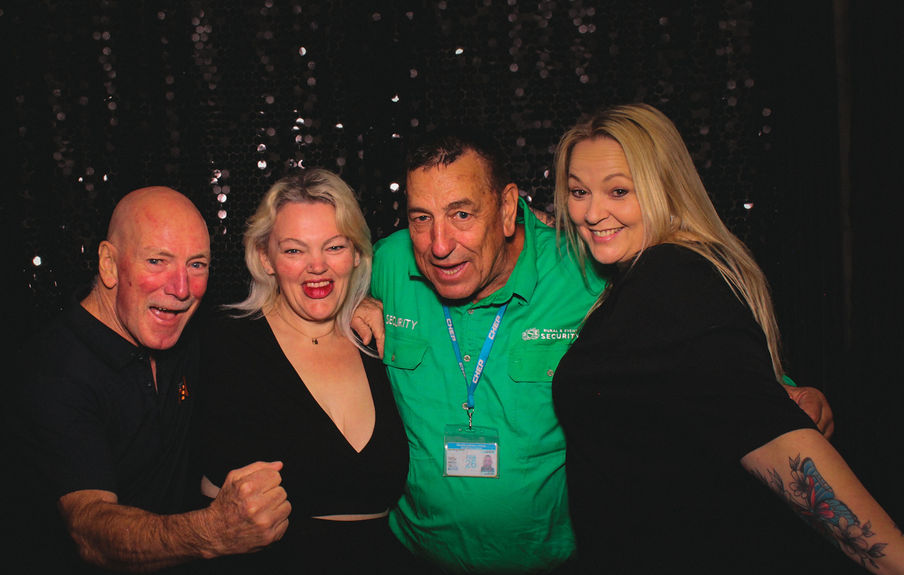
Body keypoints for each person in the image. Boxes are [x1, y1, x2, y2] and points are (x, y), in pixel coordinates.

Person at [360, 127, 836, 574]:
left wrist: (784, 393)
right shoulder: (389, 263)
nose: (439, 244)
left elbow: (692, 340)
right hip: (412, 560)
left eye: (462, 215)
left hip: (560, 563)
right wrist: (348, 309)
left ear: (507, 208)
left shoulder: (583, 269)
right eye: (421, 218)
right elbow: (319, 290)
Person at [551, 103, 903, 574]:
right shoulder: (655, 274)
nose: (593, 213)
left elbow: (769, 433)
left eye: (619, 190)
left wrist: (891, 558)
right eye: (578, 192)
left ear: (664, 187)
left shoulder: (672, 278)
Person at [0, 187, 291, 574]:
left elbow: (286, 317)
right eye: (156, 261)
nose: (181, 288)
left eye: (197, 265)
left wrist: (355, 311)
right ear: (109, 265)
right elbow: (90, 530)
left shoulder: (186, 336)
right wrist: (212, 531)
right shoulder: (55, 370)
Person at [195, 169, 413, 573]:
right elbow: (210, 502)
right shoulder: (226, 345)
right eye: (295, 250)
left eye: (334, 246)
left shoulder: (378, 340)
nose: (317, 266)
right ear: (266, 258)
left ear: (356, 254)